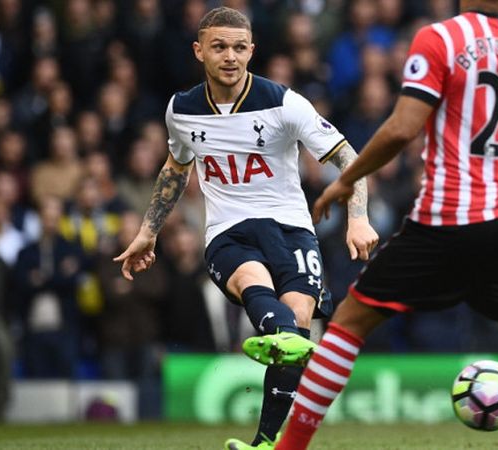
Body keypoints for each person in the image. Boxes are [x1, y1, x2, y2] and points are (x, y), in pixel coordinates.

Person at [276, 1, 498, 449]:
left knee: (350, 322)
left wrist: (347, 179)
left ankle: (288, 448)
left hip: (449, 215)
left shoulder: (440, 39)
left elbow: (401, 128)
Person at [111, 7, 378, 449]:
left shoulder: (284, 103)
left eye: (239, 47)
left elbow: (350, 158)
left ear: (252, 50)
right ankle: (276, 330)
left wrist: (359, 216)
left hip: (292, 229)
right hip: (228, 233)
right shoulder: (181, 110)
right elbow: (177, 168)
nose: (230, 57)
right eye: (219, 47)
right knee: (269, 303)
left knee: (297, 328)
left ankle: (264, 441)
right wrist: (148, 230)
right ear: (199, 51)